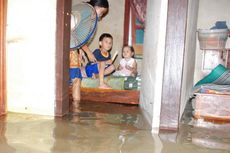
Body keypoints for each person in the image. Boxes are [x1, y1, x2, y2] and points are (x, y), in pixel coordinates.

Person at [70, 0, 109, 101]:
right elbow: (75, 36)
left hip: (72, 50)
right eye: (100, 13)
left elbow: (77, 38)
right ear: (94, 7)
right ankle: (76, 110)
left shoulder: (82, 17)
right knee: (76, 80)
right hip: (69, 51)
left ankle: (76, 109)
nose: (99, 17)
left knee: (76, 79)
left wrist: (81, 50)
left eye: (102, 15)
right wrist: (88, 52)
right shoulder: (80, 15)